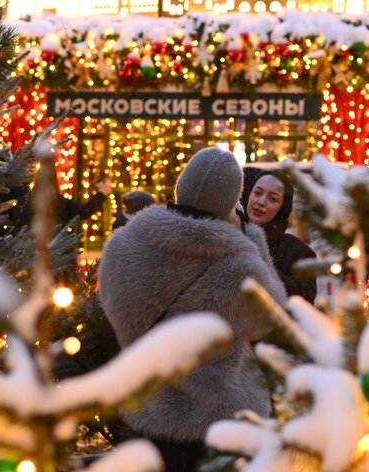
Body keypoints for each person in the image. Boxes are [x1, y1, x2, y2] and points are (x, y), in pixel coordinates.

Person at [98, 147, 287, 472]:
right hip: (223, 414)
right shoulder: (239, 259)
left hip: (149, 405)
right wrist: (253, 242)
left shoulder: (124, 243)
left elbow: (114, 308)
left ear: (181, 183)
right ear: (233, 198)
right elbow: (270, 319)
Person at [245, 170, 317, 303]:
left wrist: (262, 264)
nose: (261, 202)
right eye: (257, 193)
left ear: (282, 209)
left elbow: (302, 307)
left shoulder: (299, 253)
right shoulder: (229, 235)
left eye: (273, 199)